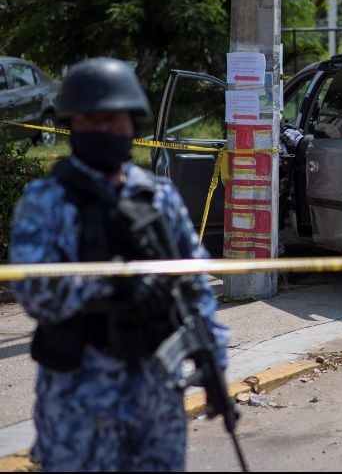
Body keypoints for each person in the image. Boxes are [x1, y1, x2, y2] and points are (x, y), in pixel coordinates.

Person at [9, 57, 231, 471]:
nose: (107, 130)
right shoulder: (47, 200)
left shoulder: (157, 196)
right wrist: (115, 283)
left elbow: (196, 282)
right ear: (72, 125)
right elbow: (35, 293)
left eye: (117, 120)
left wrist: (214, 363)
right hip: (79, 402)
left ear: (134, 123)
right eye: (94, 120)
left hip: (155, 398)